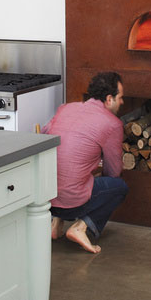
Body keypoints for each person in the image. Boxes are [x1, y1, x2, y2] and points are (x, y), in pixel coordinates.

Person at [41, 70, 128, 254]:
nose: (122, 102)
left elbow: (44, 135)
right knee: (119, 186)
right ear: (109, 98)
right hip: (72, 203)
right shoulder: (112, 123)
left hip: (46, 197)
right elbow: (113, 171)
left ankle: (55, 225)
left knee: (69, 172)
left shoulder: (66, 108)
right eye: (120, 97)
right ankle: (80, 228)